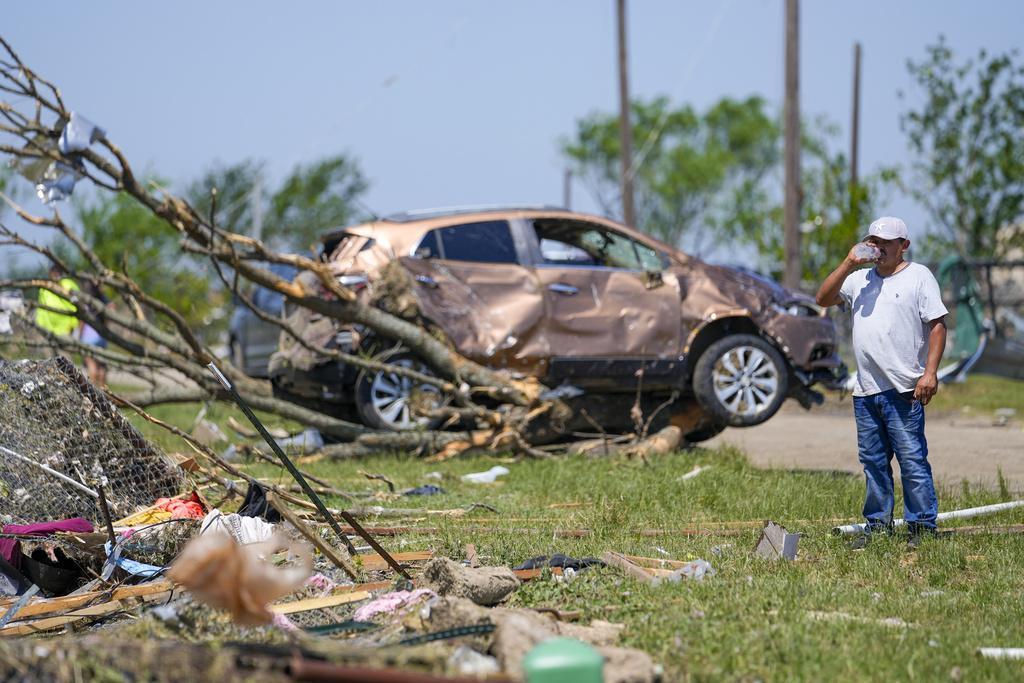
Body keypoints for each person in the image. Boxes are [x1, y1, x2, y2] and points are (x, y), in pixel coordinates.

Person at [815, 216, 948, 550]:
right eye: (874, 240)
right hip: (866, 391)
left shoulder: (919, 277)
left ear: (904, 245)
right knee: (873, 463)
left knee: (912, 460)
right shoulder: (859, 280)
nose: (880, 247)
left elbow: (937, 326)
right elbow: (823, 298)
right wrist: (848, 262)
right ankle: (878, 526)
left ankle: (921, 527)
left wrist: (929, 373)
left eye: (887, 241)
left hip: (904, 389)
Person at [35, 264, 80, 338]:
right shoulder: (44, 289)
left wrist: (73, 325)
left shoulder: (68, 284)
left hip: (68, 330)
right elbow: (41, 310)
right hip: (49, 331)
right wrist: (42, 326)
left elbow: (75, 306)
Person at [79, 282, 108, 387]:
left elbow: (82, 322)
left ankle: (93, 393)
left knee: (92, 366)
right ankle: (104, 394)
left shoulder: (85, 302)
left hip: (88, 338)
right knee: (101, 367)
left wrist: (79, 336)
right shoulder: (103, 301)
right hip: (102, 338)